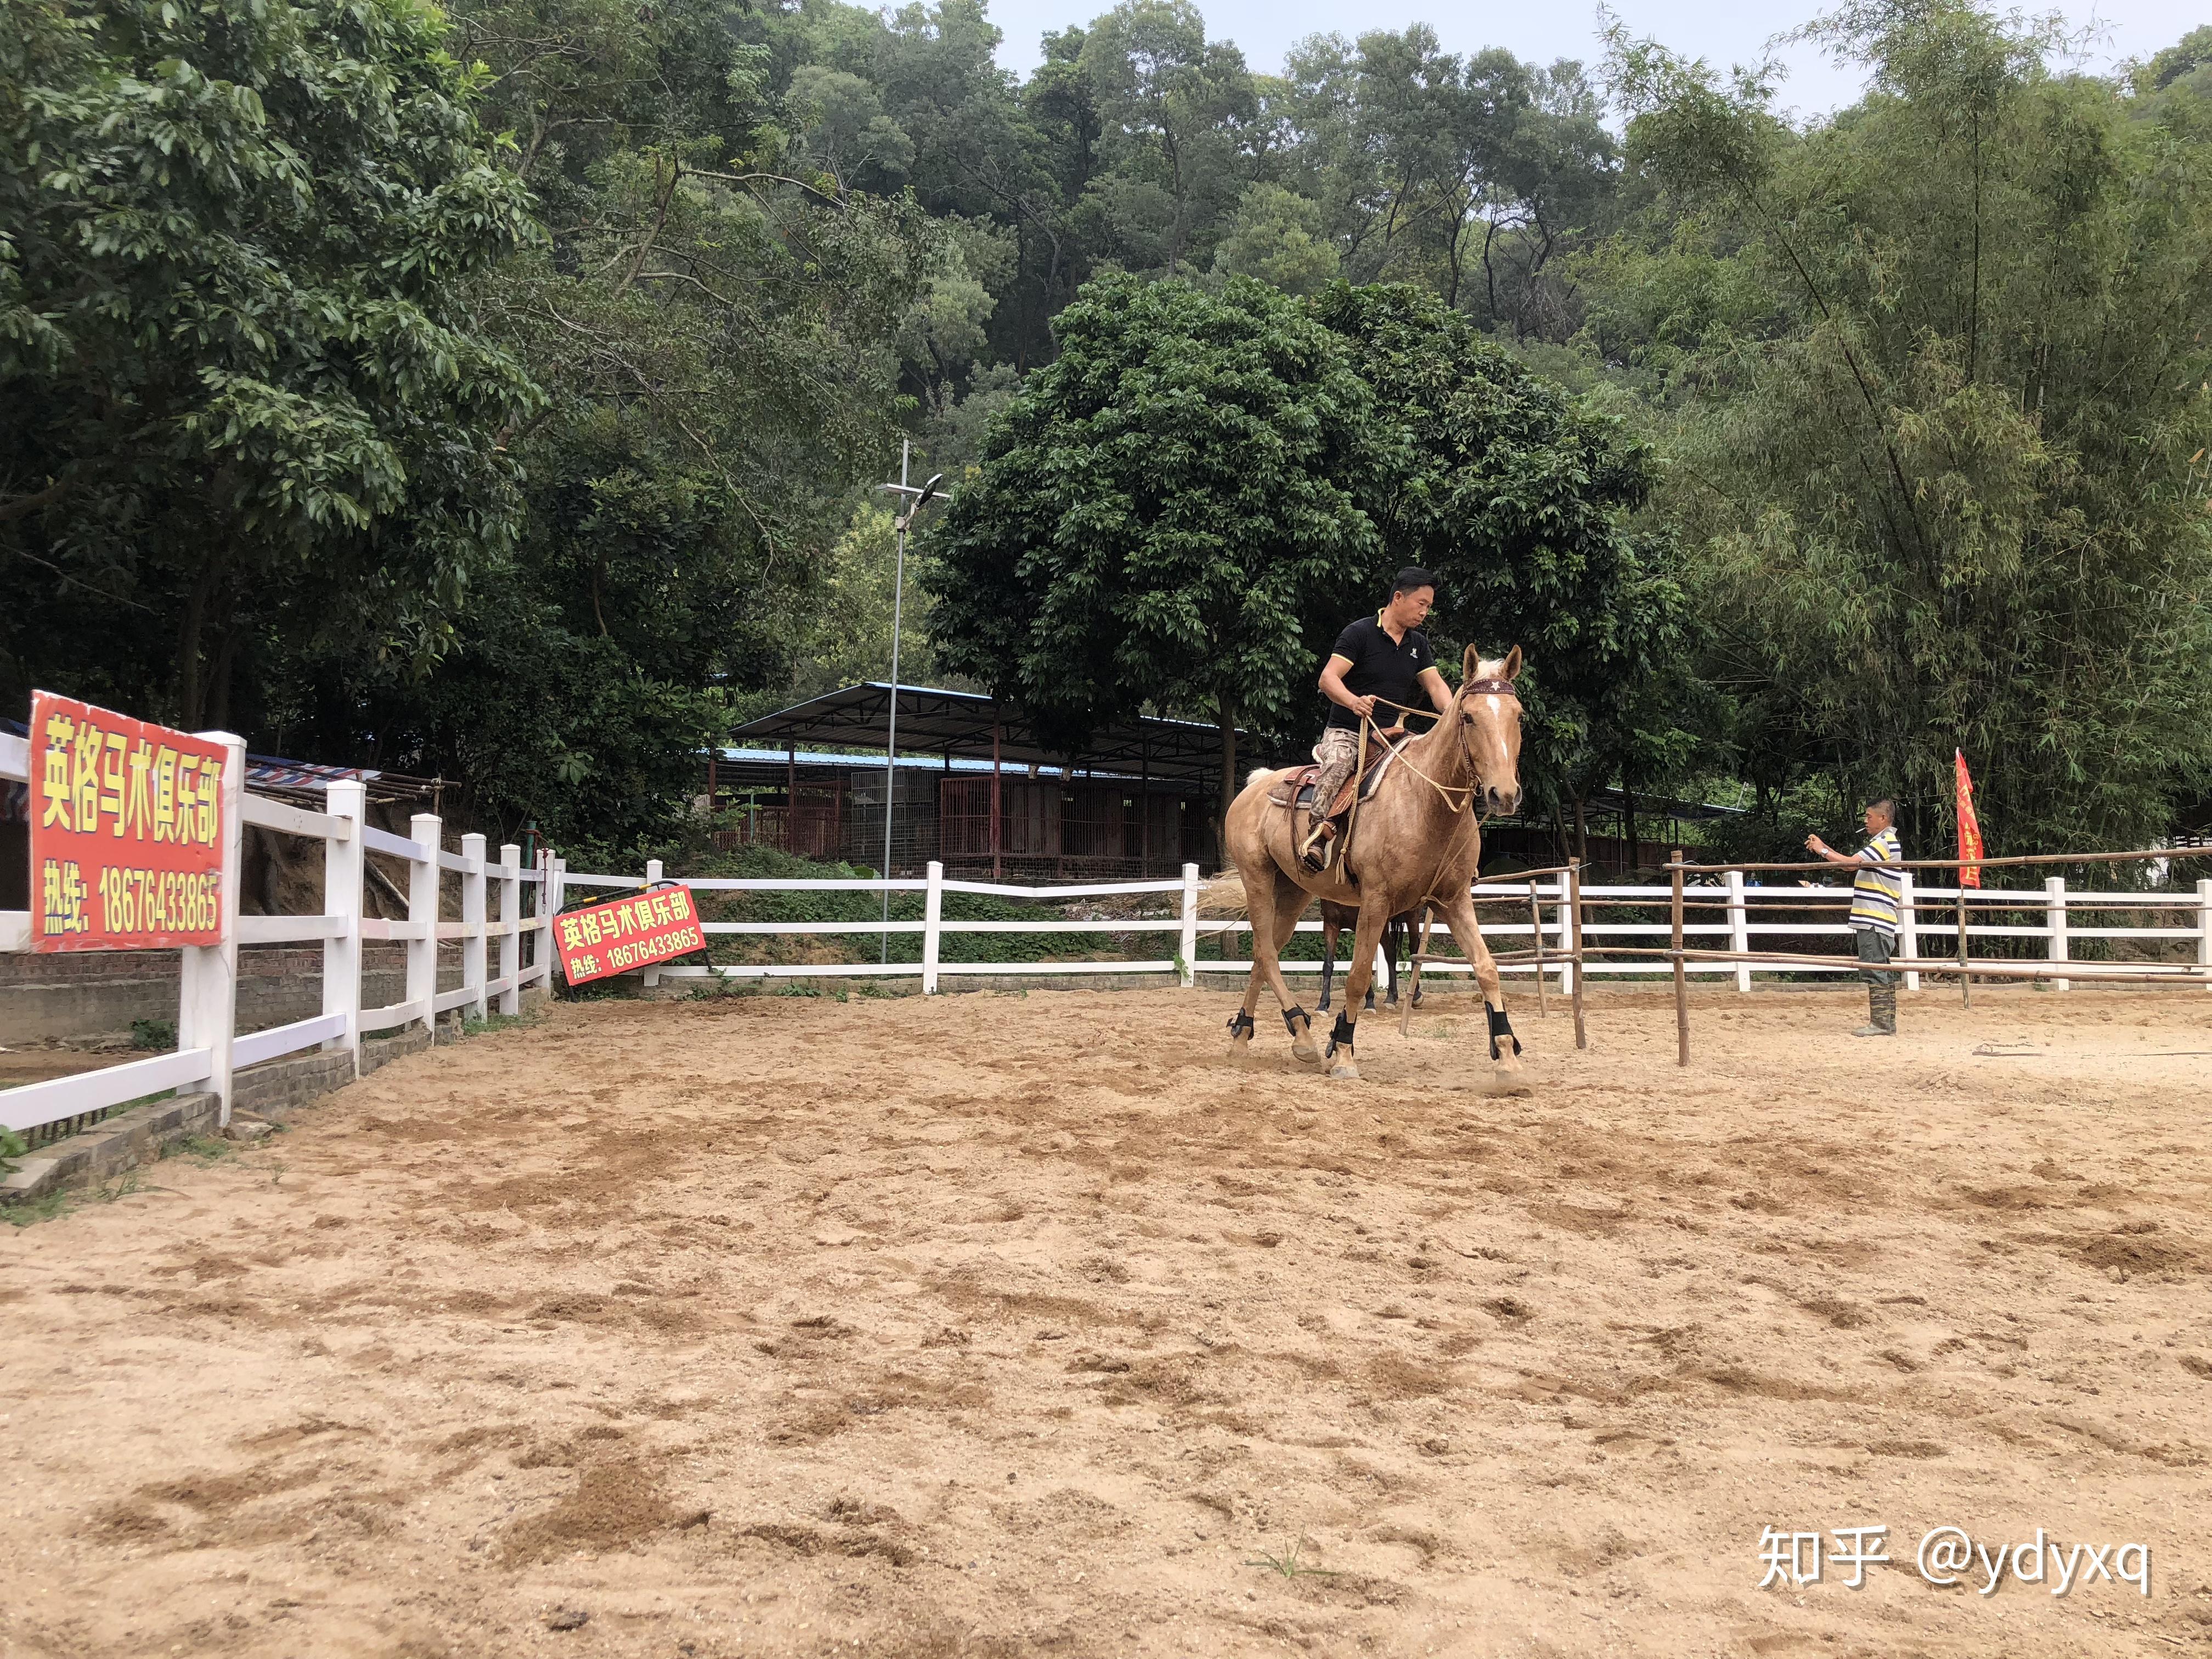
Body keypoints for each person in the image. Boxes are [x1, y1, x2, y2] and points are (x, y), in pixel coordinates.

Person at [1300, 569, 1456, 870]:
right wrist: (1353, 702)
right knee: (1339, 765)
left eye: (1429, 607)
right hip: (1347, 731)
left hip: (1392, 736)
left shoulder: (1418, 645)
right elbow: (1328, 679)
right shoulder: (1359, 633)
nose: (1424, 612)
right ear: (1398, 597)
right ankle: (1318, 835)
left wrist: (1452, 716)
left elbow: (1436, 685)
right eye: (1420, 603)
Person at [1807, 799, 1904, 1036]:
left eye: (1869, 817)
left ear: (1883, 818)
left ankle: (1881, 1024)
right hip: (1877, 917)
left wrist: (1823, 849)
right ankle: (1885, 1022)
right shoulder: (1886, 843)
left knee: (1874, 968)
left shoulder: (1884, 843)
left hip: (1874, 917)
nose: (1866, 821)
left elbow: (1850, 865)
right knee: (1880, 967)